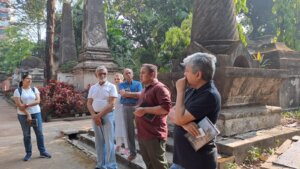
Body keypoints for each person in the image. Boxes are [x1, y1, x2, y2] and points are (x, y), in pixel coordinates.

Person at [169, 52, 221, 169]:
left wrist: (180, 91)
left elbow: (177, 117)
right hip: (181, 159)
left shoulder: (209, 95)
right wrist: (185, 124)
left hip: (197, 162)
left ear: (198, 74)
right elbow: (171, 111)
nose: (184, 74)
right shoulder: (192, 90)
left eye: (187, 71)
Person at [134, 64, 172, 169]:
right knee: (149, 165)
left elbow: (166, 108)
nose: (140, 75)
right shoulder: (145, 89)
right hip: (143, 134)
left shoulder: (160, 88)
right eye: (140, 72)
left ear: (152, 74)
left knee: (159, 165)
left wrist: (144, 110)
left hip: (154, 134)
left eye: (143, 73)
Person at [13, 73, 52, 161]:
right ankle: (28, 153)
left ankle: (42, 151)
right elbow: (19, 106)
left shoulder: (34, 89)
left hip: (36, 113)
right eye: (27, 78)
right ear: (23, 80)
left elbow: (38, 101)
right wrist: (28, 114)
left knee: (39, 133)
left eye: (31, 79)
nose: (30, 80)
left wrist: (26, 104)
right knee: (27, 135)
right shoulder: (18, 91)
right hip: (23, 115)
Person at [87, 66, 118, 169]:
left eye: (104, 73)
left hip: (108, 116)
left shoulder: (111, 86)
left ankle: (111, 166)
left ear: (107, 74)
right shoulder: (93, 87)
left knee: (109, 142)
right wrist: (94, 115)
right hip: (95, 116)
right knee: (99, 142)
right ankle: (100, 165)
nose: (102, 75)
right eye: (100, 73)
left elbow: (111, 104)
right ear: (96, 75)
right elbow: (89, 103)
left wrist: (98, 116)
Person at [119, 68, 143, 161]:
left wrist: (127, 94)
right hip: (126, 107)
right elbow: (123, 94)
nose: (128, 74)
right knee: (129, 130)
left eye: (129, 73)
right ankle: (133, 153)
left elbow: (140, 95)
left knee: (141, 129)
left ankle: (144, 150)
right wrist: (134, 94)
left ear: (132, 74)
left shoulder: (138, 83)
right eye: (126, 73)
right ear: (124, 75)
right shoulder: (121, 84)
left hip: (137, 107)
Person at [113, 72, 129, 155]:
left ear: (122, 80)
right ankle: (118, 145)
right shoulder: (113, 89)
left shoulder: (125, 89)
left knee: (124, 130)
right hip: (116, 113)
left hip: (124, 112)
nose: (116, 80)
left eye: (118, 79)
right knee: (117, 129)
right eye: (115, 79)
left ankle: (127, 147)